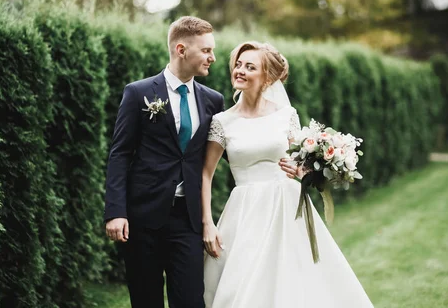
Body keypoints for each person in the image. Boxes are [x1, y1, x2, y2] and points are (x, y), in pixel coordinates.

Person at [201, 41, 373, 307]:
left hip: (286, 206)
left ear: (267, 77)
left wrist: (302, 170)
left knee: (293, 280)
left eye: (250, 66)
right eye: (238, 64)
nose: (240, 71)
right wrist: (208, 223)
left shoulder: (286, 115)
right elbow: (205, 174)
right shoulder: (223, 121)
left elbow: (300, 162)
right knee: (244, 281)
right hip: (244, 211)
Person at [104, 16, 225, 308]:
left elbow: (229, 150)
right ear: (181, 49)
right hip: (143, 217)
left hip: (188, 218)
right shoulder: (139, 93)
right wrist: (115, 211)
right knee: (146, 300)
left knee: (191, 300)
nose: (213, 57)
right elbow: (120, 153)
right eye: (206, 50)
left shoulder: (213, 100)